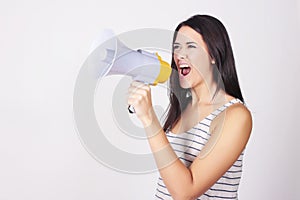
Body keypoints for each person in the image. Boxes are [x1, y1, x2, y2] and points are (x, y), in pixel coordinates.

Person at [127, 14, 252, 200]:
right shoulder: (182, 110)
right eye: (176, 48)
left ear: (213, 55)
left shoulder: (236, 116)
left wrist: (148, 118)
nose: (180, 55)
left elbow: (185, 192)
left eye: (191, 46)